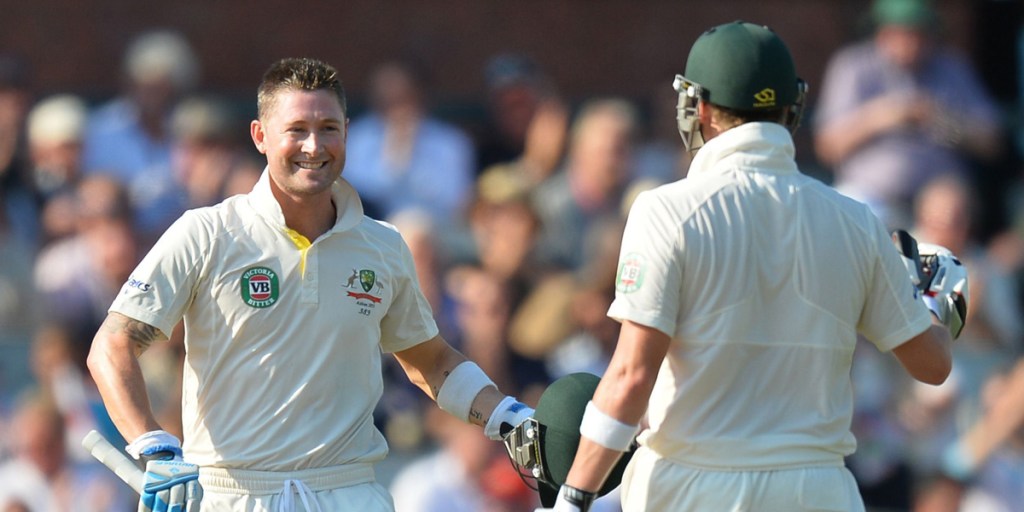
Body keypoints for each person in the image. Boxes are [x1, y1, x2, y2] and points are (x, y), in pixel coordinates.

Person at [541, 21, 966, 512]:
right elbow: (933, 365)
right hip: (818, 493)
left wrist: (571, 500)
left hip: (692, 491)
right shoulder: (856, 221)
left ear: (699, 108)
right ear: (792, 108)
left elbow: (632, 376)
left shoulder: (667, 211)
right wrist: (934, 302)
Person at [86, 57, 532, 512]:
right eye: (296, 128)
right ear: (260, 136)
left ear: (347, 132)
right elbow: (113, 344)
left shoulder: (383, 245)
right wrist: (153, 444)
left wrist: (508, 417)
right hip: (233, 495)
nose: (314, 146)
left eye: (328, 128)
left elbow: (431, 362)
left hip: (350, 493)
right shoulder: (206, 233)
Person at [813, 0, 1002, 231]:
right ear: (881, 33)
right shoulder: (853, 66)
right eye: (902, 33)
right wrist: (883, 116)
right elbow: (827, 146)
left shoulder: (952, 68)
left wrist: (944, 121)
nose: (912, 43)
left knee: (949, 211)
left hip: (937, 196)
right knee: (848, 216)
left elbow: (992, 143)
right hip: (870, 194)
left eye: (920, 34)